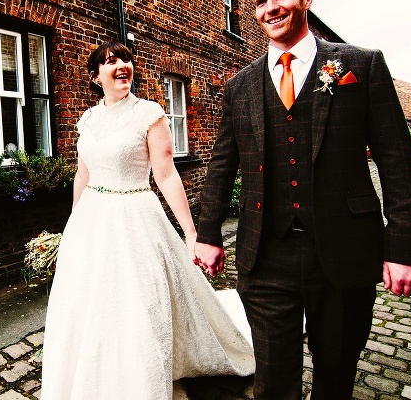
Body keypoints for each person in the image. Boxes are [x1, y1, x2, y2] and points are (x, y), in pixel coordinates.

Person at [194, 0, 411, 400]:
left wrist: (406, 248)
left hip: (343, 250)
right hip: (264, 255)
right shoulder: (239, 87)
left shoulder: (360, 65)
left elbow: (397, 161)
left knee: (335, 374)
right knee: (272, 383)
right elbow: (222, 165)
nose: (270, 8)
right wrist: (208, 234)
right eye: (261, 1)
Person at [40, 41, 254, 400]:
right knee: (92, 301)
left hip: (136, 216)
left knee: (139, 301)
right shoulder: (88, 120)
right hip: (92, 219)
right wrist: (74, 223)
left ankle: (142, 377)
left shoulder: (149, 113)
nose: (122, 65)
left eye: (126, 59)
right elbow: (83, 173)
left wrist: (190, 233)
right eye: (111, 62)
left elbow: (166, 174)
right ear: (95, 77)